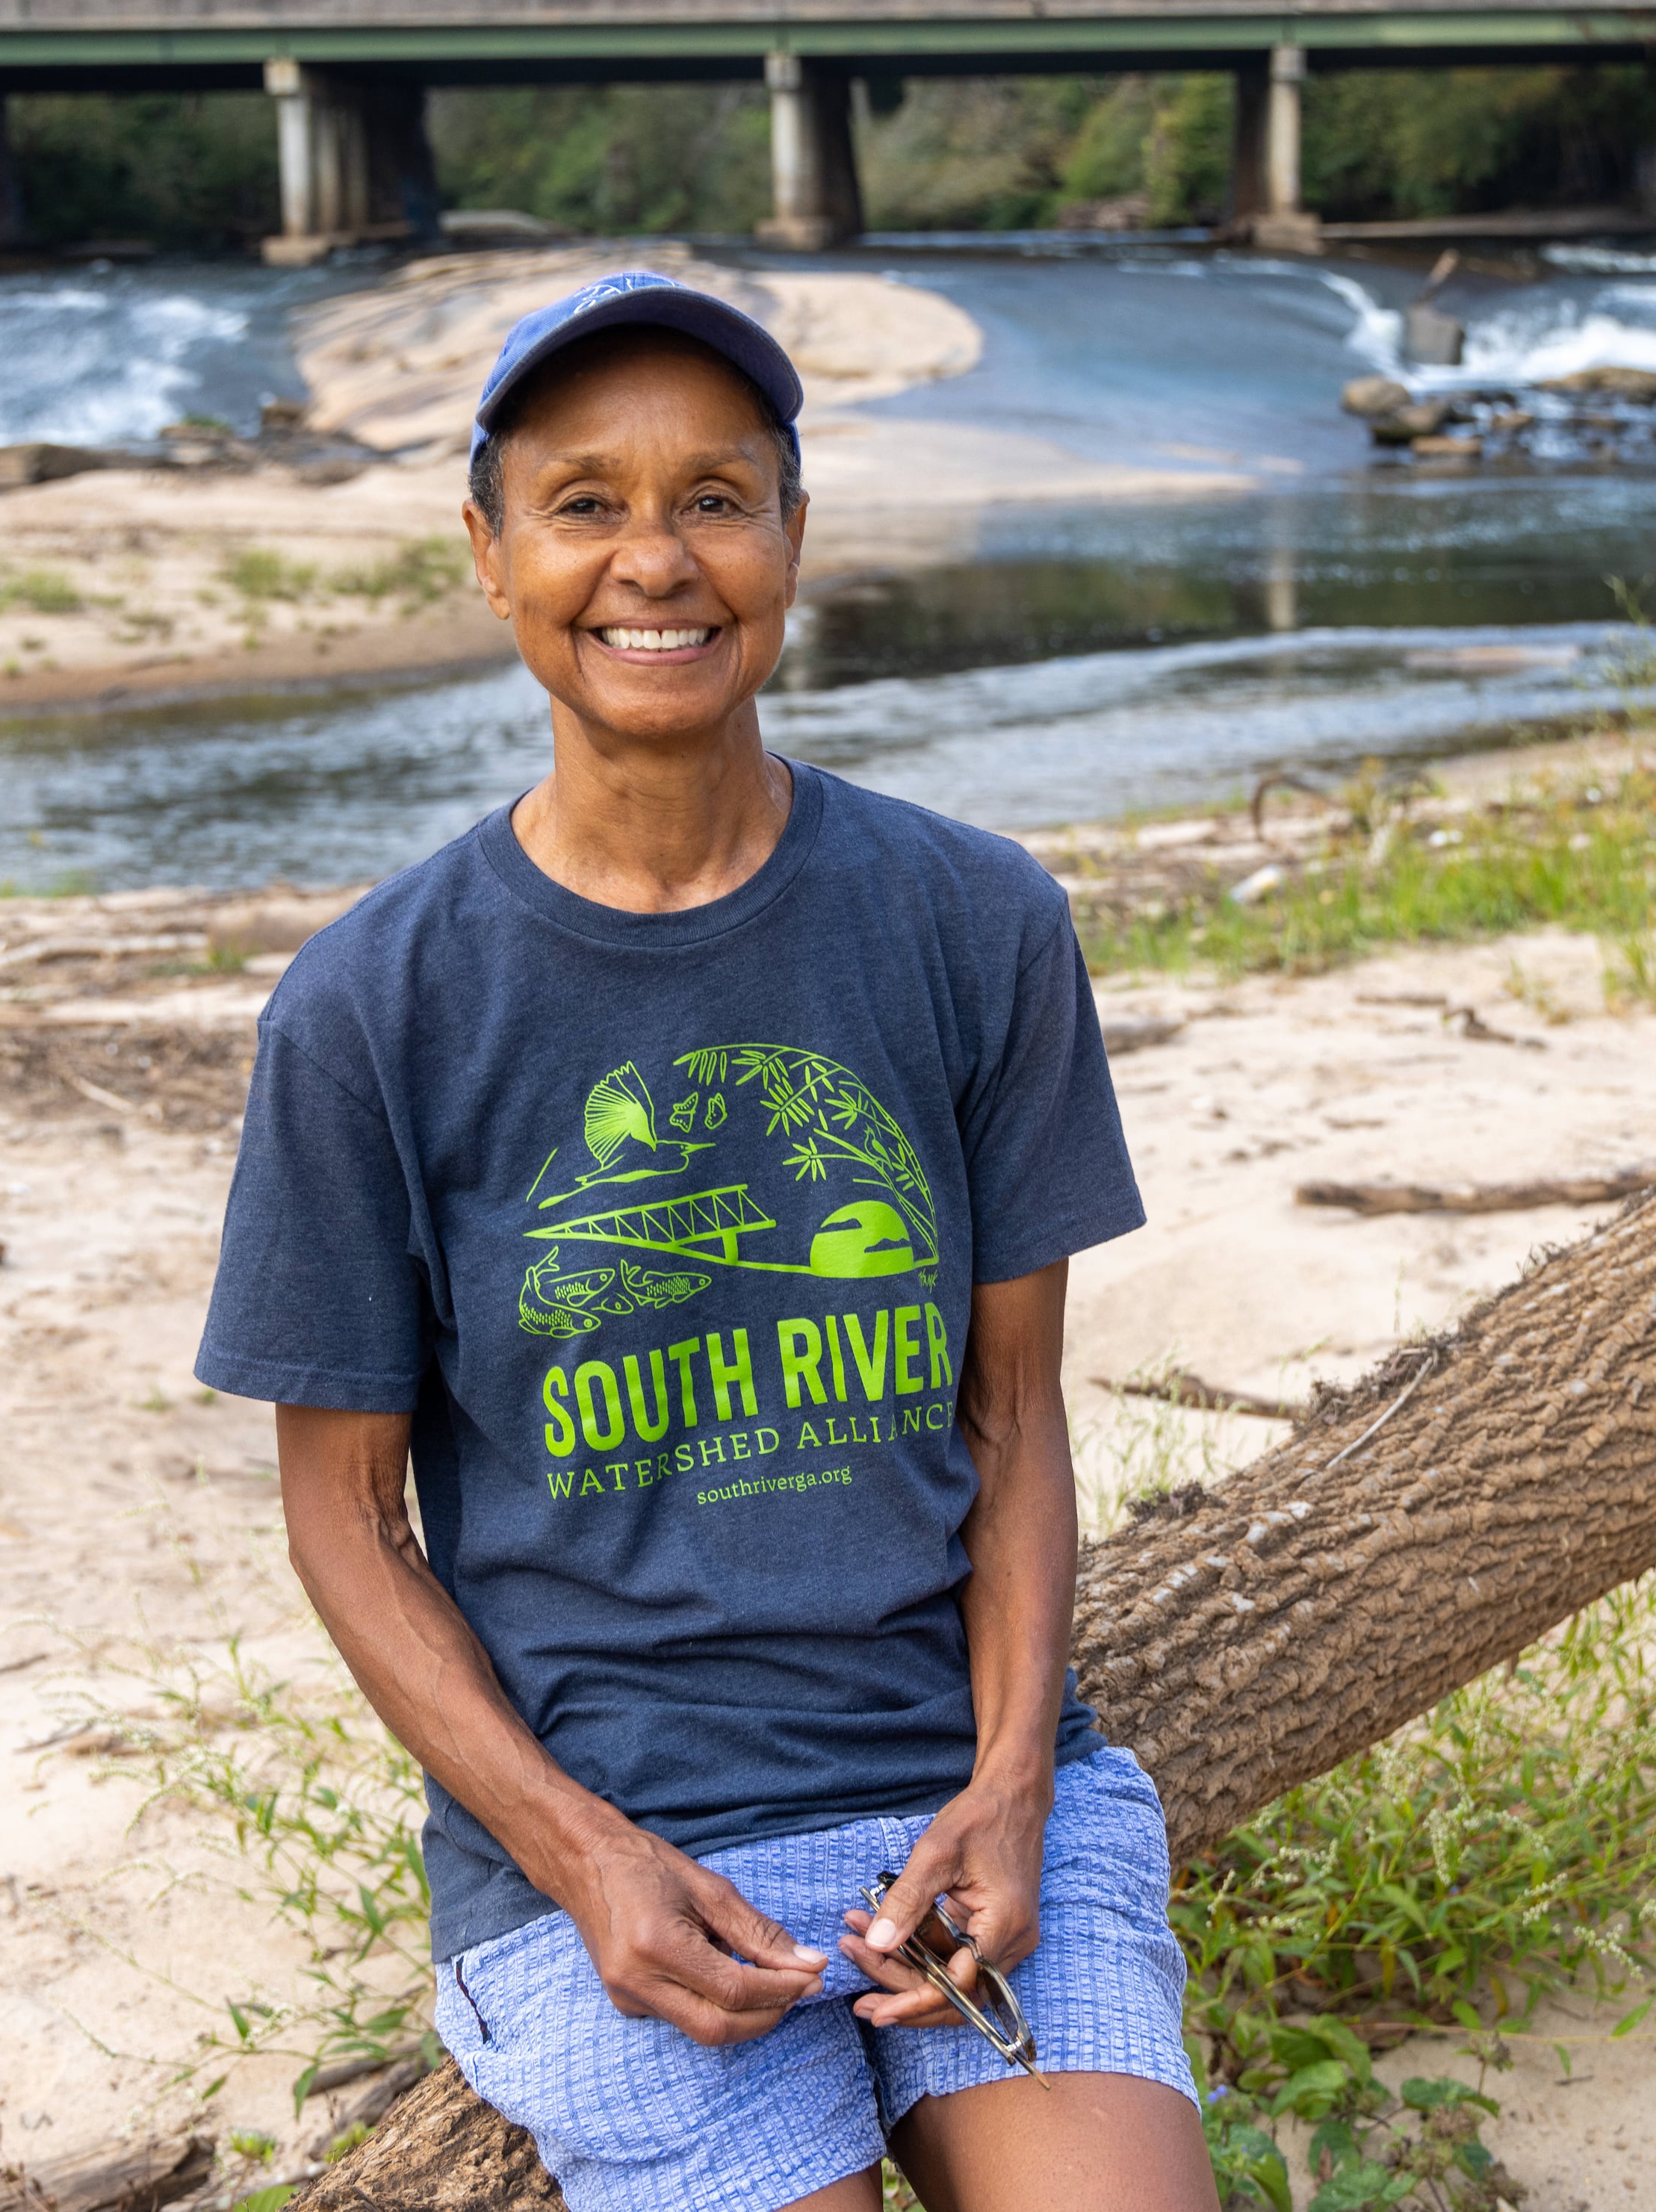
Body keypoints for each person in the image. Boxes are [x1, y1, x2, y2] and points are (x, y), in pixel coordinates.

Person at [195, 271, 1217, 2212]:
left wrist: (1010, 1789)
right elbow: (347, 1514)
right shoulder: (370, 1010)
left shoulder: (973, 920)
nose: (653, 560)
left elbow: (1014, 1412)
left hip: (969, 1798)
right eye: (584, 503)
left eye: (716, 499)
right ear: (490, 556)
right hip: (621, 1842)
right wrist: (585, 1856)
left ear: (794, 541)